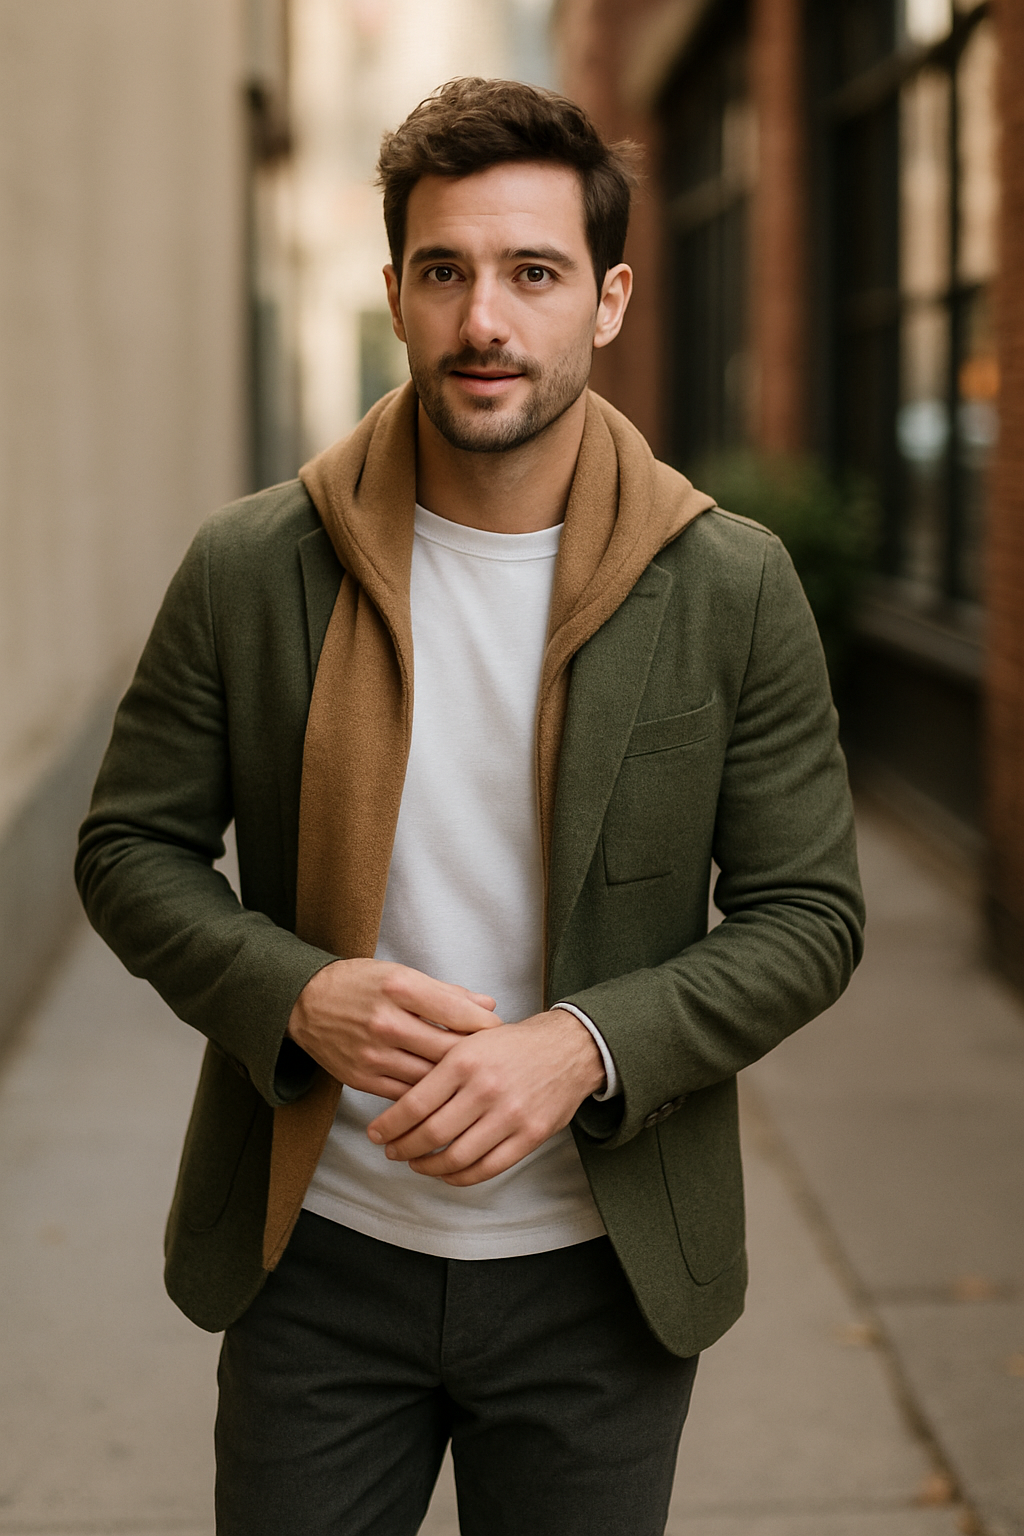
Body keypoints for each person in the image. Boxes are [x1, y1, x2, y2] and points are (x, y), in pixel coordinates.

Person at [76, 76, 864, 1536]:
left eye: (534, 273)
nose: (484, 320)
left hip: (601, 1278)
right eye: (445, 272)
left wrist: (583, 1049)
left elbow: (811, 916)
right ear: (395, 292)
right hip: (317, 1256)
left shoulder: (730, 583)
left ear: (609, 300)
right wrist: (296, 996)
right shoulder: (253, 567)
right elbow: (128, 847)